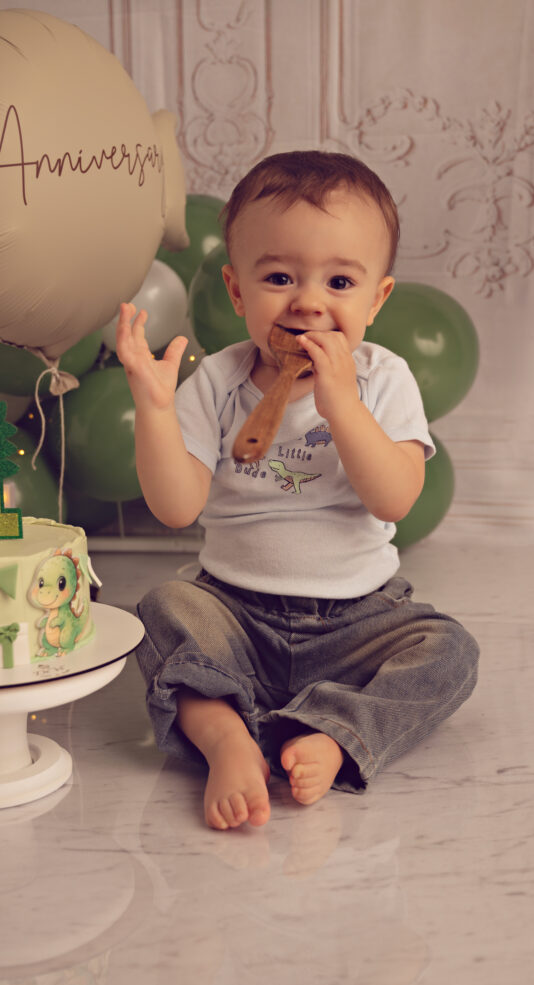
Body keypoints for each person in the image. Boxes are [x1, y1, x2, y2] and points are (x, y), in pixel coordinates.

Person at [116, 150, 479, 831]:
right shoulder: (218, 382)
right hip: (235, 612)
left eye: (339, 281)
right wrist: (156, 412)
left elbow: (394, 500)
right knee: (162, 610)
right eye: (279, 277)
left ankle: (335, 731)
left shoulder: (383, 379)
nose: (308, 302)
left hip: (357, 620)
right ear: (237, 292)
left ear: (376, 299)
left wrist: (343, 405)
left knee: (449, 653)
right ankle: (227, 738)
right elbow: (176, 507)